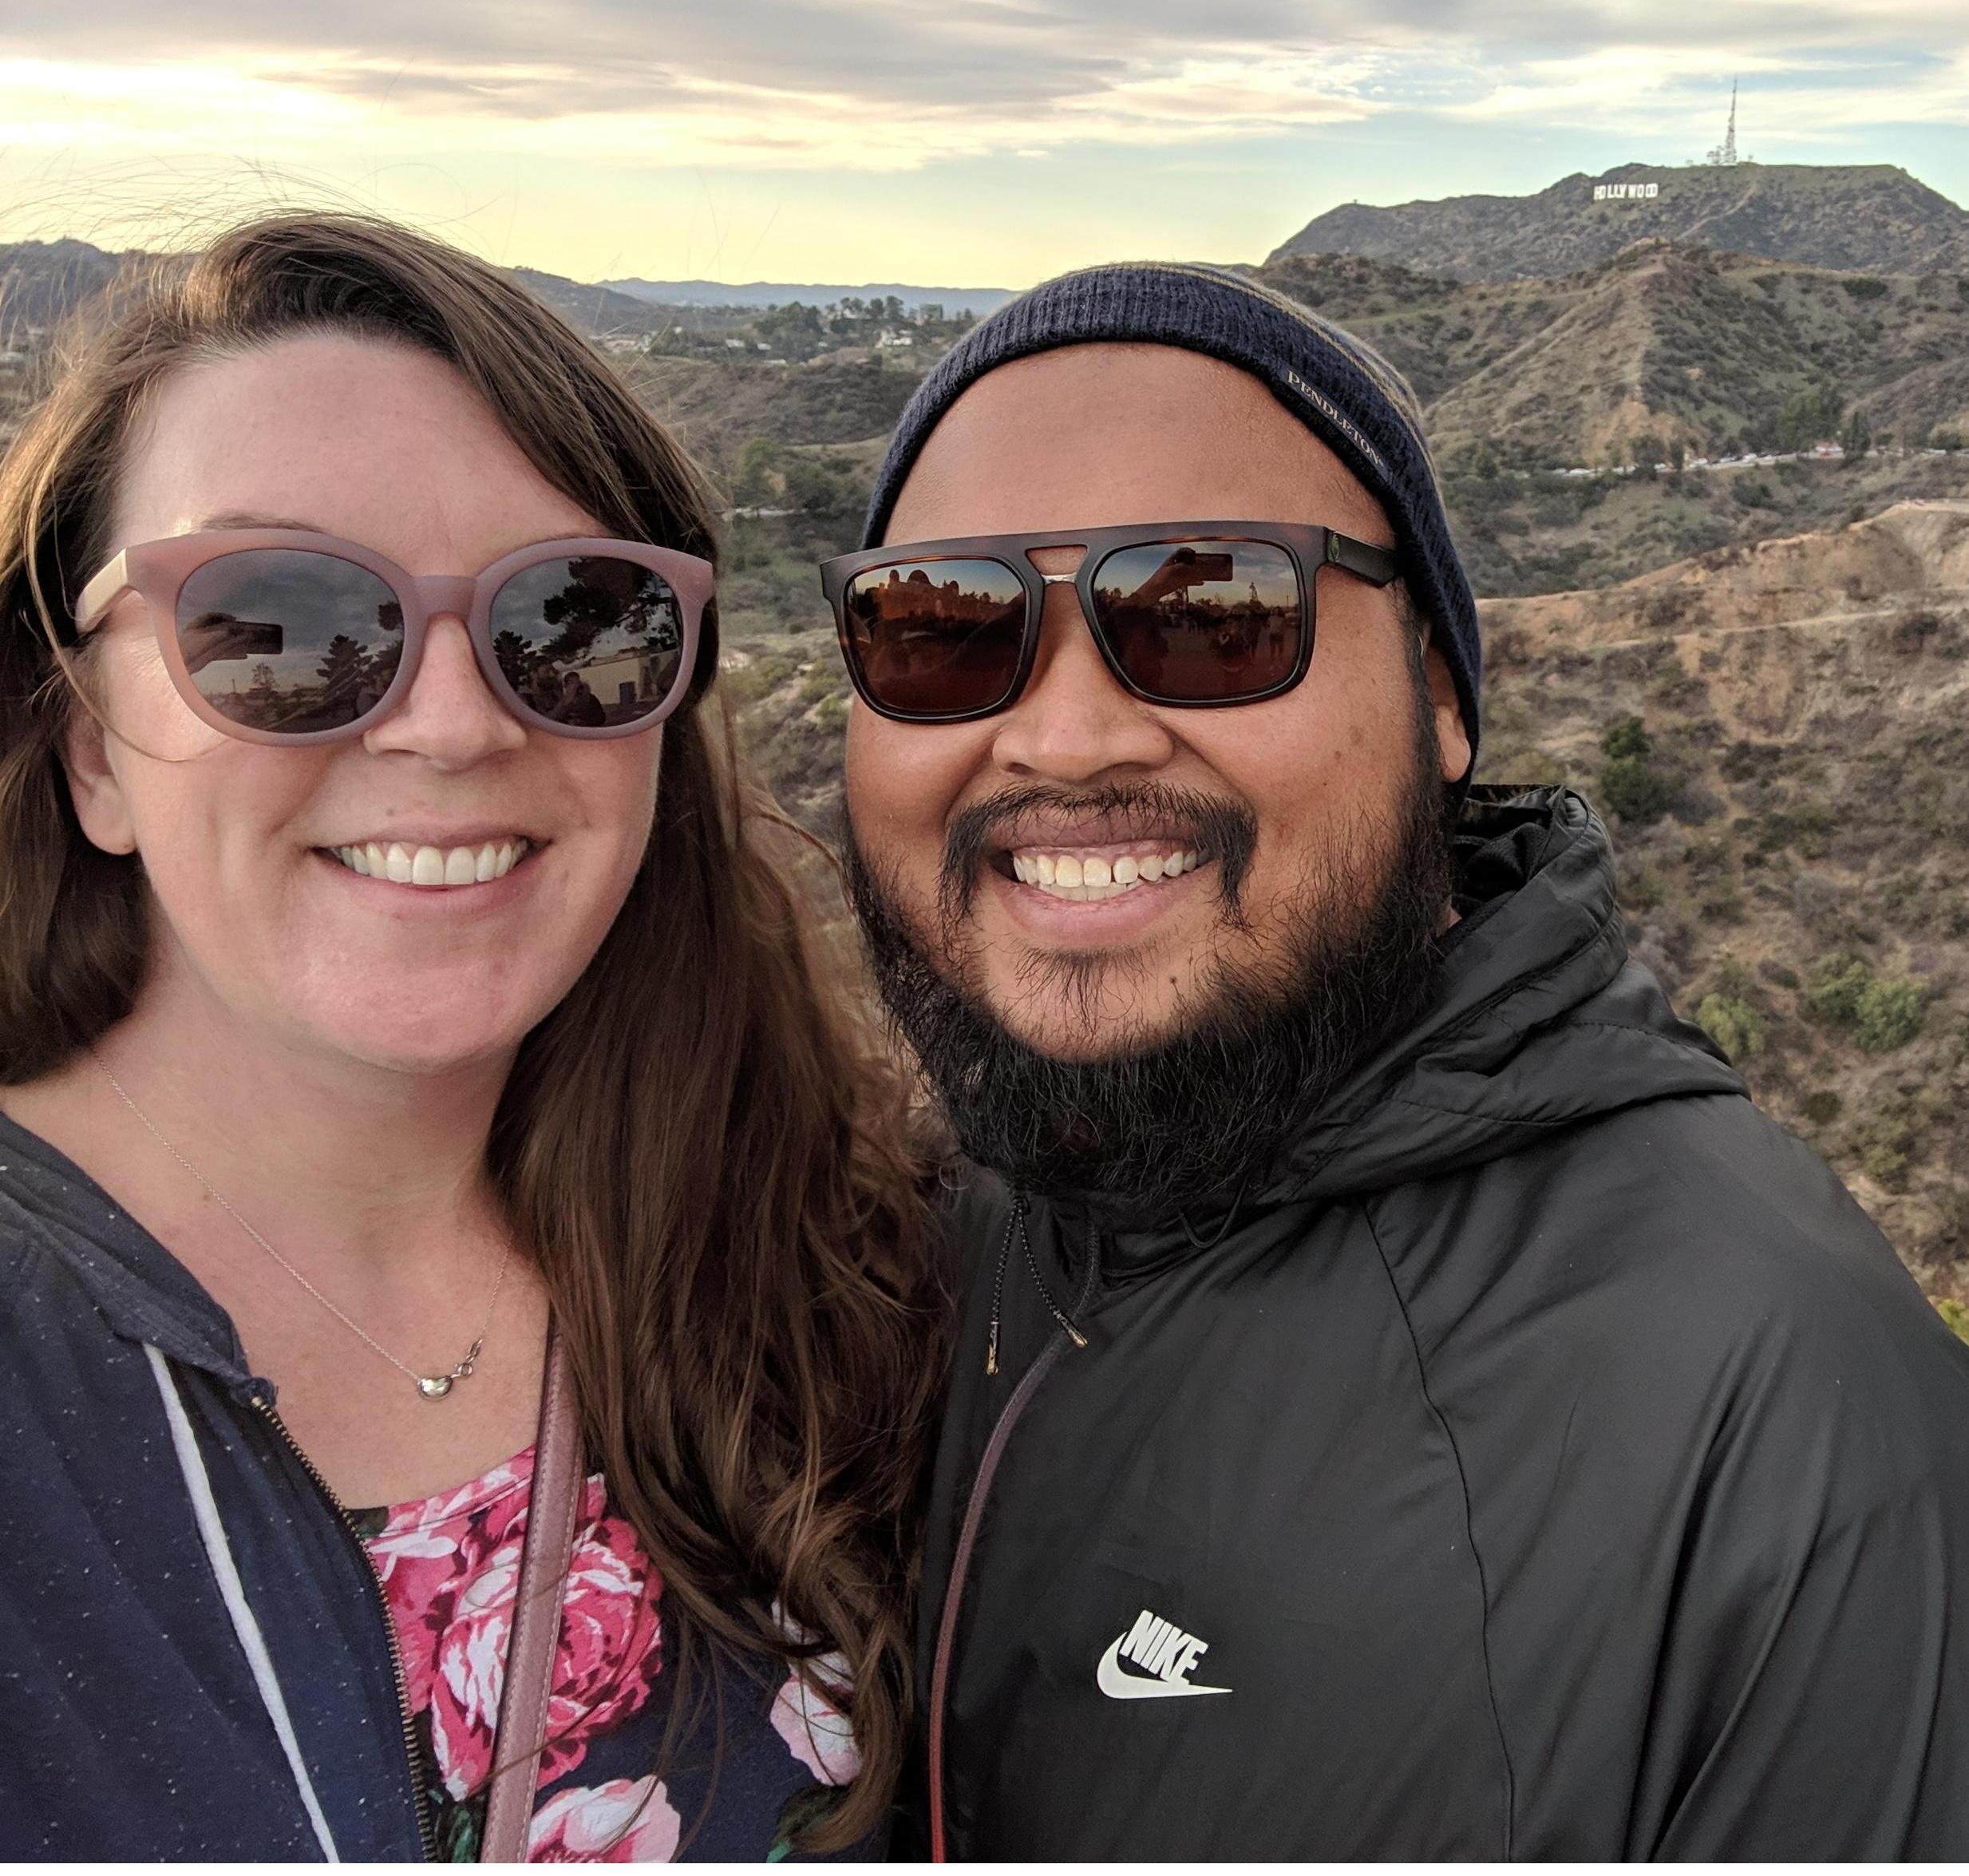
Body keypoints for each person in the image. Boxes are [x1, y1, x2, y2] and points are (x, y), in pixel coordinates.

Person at [820, 263, 1969, 1858]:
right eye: (941, 625)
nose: (1065, 735)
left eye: (1211, 612)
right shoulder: (882, 1252)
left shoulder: (1773, 1417)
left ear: (1437, 692)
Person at [0, 214, 944, 1861]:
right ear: (90, 745)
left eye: (575, 619)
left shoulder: (813, 1265)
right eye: (277, 622)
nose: (448, 722)